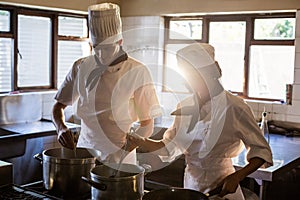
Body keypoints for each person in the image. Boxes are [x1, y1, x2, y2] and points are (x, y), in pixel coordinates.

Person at [128, 43, 273, 199]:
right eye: (190, 76)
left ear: (213, 72)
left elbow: (261, 151)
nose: (191, 82)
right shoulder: (184, 107)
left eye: (197, 75)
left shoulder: (234, 107)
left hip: (223, 188)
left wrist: (237, 177)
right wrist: (139, 141)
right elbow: (169, 148)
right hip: (191, 187)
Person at [52, 3, 162, 164]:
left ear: (120, 42)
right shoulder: (80, 67)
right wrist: (61, 128)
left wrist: (127, 147)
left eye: (108, 48)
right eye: (96, 48)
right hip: (85, 153)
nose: (101, 54)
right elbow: (58, 106)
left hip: (121, 156)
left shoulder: (137, 71)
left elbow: (147, 123)